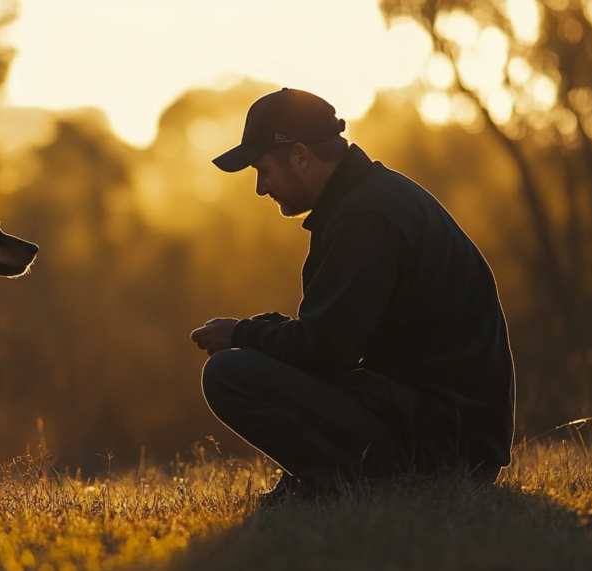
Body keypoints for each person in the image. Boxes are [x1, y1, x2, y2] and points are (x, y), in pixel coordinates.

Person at [190, 88, 514, 500]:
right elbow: (329, 345)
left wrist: (241, 335)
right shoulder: (367, 200)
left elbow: (322, 352)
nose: (260, 187)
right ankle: (325, 478)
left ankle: (334, 484)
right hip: (439, 426)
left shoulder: (366, 218)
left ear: (301, 157)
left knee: (228, 376)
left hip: (445, 445)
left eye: (263, 169)